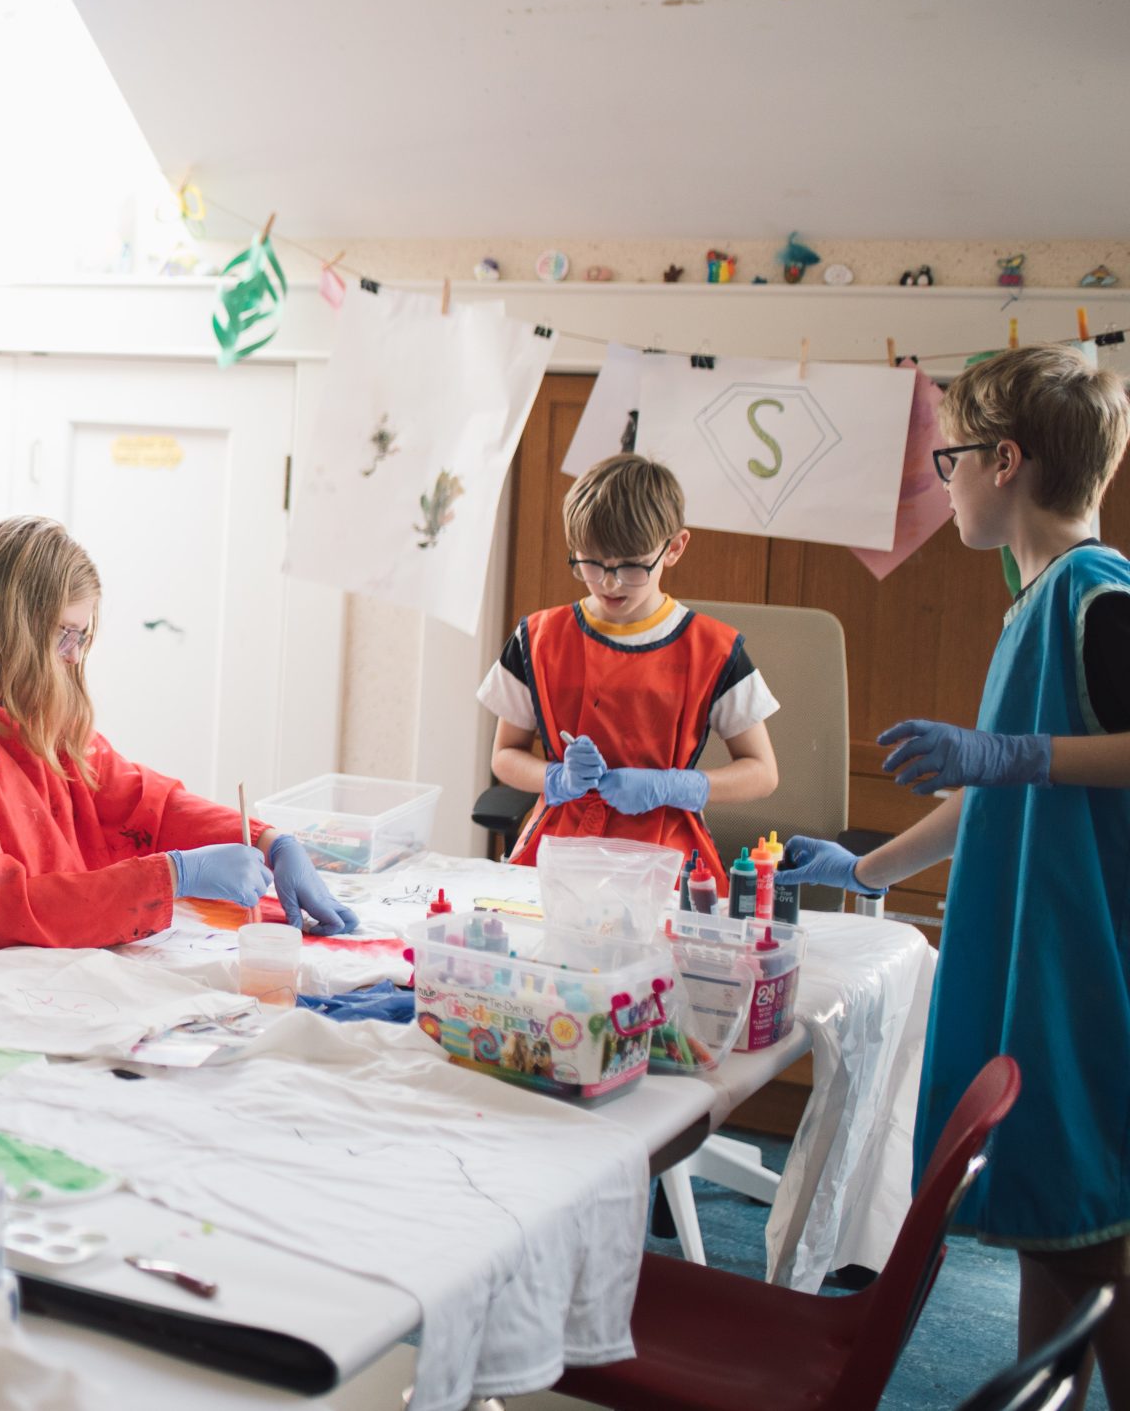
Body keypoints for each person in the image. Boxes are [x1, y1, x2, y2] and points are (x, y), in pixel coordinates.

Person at [781, 345, 1130, 1400]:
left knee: (1092, 1239)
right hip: (1038, 966)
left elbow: (1024, 765)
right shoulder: (1034, 603)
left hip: (1087, 977)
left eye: (950, 460)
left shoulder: (1094, 590)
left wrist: (1009, 754)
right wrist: (872, 867)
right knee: (1048, 1227)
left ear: (1006, 461)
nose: (946, 479)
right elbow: (991, 794)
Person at [0, 516, 356, 956]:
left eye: (81, 636)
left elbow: (143, 804)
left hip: (17, 982)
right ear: (0, 620)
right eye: (63, 635)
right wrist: (174, 876)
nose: (73, 656)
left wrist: (264, 839)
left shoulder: (26, 710)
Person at [478, 453, 779, 893]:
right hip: (560, 852)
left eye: (631, 566)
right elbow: (505, 755)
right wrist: (554, 779)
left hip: (663, 860)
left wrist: (675, 786)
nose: (609, 583)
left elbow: (762, 772)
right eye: (592, 563)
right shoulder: (537, 640)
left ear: (674, 548)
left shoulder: (715, 651)